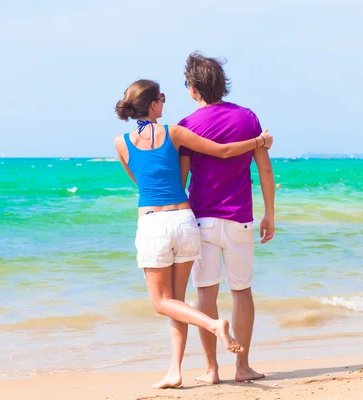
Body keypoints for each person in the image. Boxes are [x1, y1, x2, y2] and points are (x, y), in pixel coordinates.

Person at [113, 79, 273, 389]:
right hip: (186, 221)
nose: (165, 101)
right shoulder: (175, 133)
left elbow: (140, 182)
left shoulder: (121, 143)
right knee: (178, 301)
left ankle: (213, 325)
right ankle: (175, 370)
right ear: (155, 104)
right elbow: (223, 151)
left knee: (164, 302)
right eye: (162, 97)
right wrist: (259, 141)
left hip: (154, 223)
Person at [172, 52, 276, 385]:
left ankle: (211, 369)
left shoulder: (187, 126)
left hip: (201, 219)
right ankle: (242, 366)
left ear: (192, 88)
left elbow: (181, 180)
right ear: (222, 84)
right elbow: (264, 168)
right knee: (242, 292)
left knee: (205, 293)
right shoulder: (248, 118)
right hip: (240, 219)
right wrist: (269, 213)